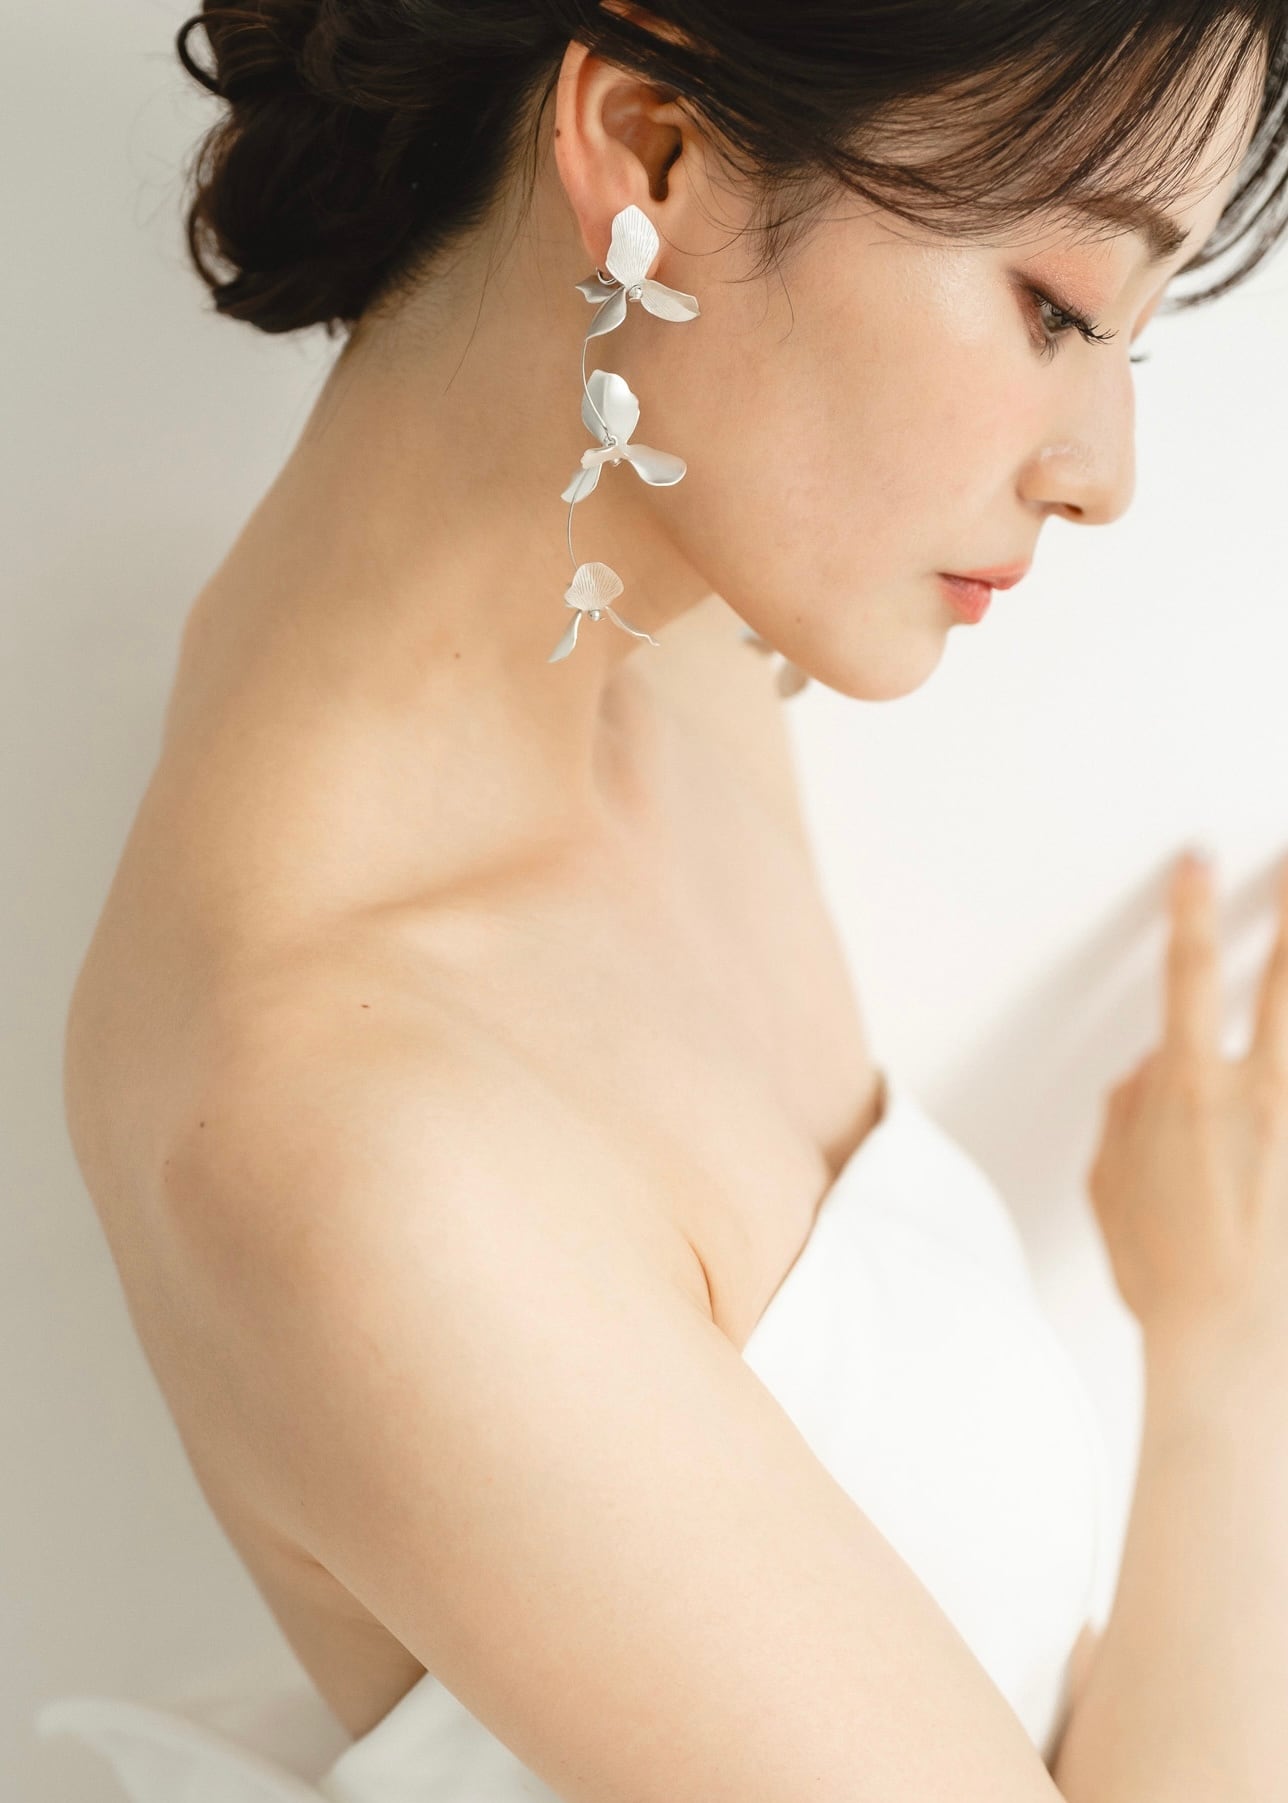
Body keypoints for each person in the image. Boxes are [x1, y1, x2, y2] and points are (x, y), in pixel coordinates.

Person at [33, 3, 1288, 1800]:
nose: (1104, 474)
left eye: (1131, 346)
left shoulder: (676, 638)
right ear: (652, 150)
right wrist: (1236, 1367)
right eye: (1058, 308)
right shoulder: (354, 1146)